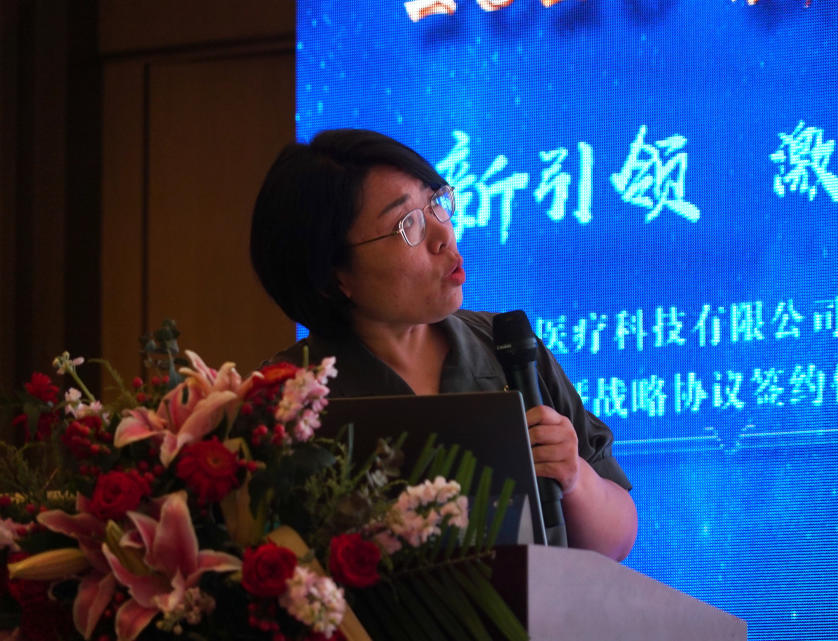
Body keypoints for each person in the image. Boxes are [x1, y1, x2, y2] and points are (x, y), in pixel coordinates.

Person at [249, 129, 638, 561]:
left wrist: (575, 478)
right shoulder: (285, 397)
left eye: (435, 201)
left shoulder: (506, 346)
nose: (442, 235)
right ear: (332, 276)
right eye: (406, 224)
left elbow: (616, 542)